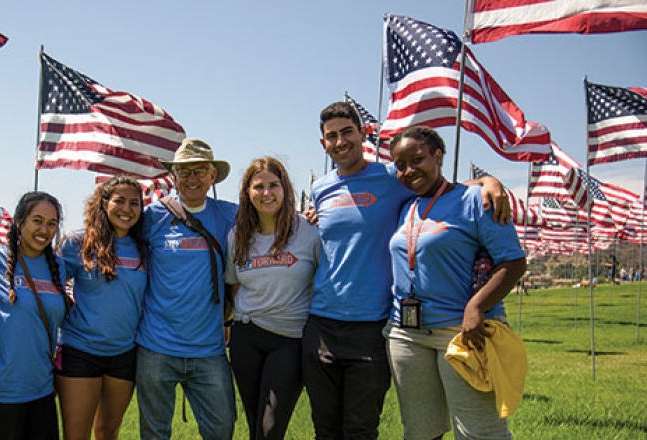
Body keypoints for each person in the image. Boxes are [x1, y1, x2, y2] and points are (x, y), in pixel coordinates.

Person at [303, 102, 511, 439]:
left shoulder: (392, 176)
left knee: (360, 426)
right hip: (324, 321)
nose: (340, 141)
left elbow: (442, 187)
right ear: (323, 143)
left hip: (374, 321)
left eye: (347, 132)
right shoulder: (321, 188)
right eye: (331, 136)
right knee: (327, 426)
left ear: (363, 134)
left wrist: (489, 181)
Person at [385, 125, 527, 439]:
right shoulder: (405, 207)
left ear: (438, 156)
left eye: (417, 159)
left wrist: (476, 306)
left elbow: (514, 261)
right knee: (420, 432)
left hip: (462, 333)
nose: (409, 170)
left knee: (480, 432)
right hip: (406, 335)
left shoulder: (478, 200)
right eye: (400, 165)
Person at [136, 138, 238, 440]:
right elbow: (112, 232)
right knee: (154, 434)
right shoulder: (152, 217)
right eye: (184, 172)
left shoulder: (231, 215)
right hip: (156, 346)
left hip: (209, 349)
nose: (191, 178)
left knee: (222, 429)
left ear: (212, 176)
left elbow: (277, 220)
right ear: (173, 177)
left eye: (199, 171)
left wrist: (310, 218)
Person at [225, 157, 320, 440]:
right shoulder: (238, 235)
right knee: (255, 423)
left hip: (290, 339)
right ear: (247, 193)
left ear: (285, 188)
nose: (266, 193)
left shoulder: (308, 231)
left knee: (270, 429)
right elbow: (233, 285)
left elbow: (323, 280)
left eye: (273, 185)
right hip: (247, 336)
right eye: (258, 187)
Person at [57, 176, 148, 440]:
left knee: (108, 432)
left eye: (134, 203)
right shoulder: (77, 243)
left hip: (125, 353)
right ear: (104, 203)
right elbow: (52, 285)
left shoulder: (144, 248)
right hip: (80, 350)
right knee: (77, 435)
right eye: (119, 201)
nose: (127, 209)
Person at [0, 191, 67, 439]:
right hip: (1, 388)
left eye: (51, 224)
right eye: (37, 221)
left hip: (42, 387)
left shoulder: (58, 265)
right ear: (19, 222)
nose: (44, 230)